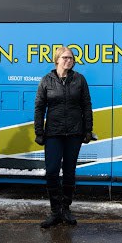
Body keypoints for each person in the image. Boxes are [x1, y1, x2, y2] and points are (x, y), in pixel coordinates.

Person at [34, 46, 93, 228]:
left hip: (74, 133)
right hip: (53, 133)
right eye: (65, 57)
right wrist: (39, 132)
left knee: (69, 172)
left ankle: (66, 209)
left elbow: (86, 105)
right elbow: (39, 107)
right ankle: (54, 211)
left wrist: (88, 129)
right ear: (57, 60)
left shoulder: (79, 79)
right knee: (52, 171)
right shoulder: (46, 80)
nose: (69, 60)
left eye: (71, 58)